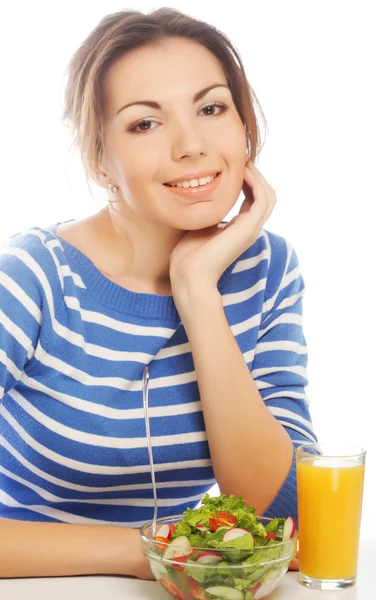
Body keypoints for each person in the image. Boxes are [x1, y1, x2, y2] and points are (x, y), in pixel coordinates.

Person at [0, 7, 315, 579]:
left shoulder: (266, 271)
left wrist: (197, 291)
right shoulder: (33, 278)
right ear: (100, 158)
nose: (191, 145)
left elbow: (289, 523)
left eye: (212, 108)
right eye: (146, 123)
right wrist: (145, 551)